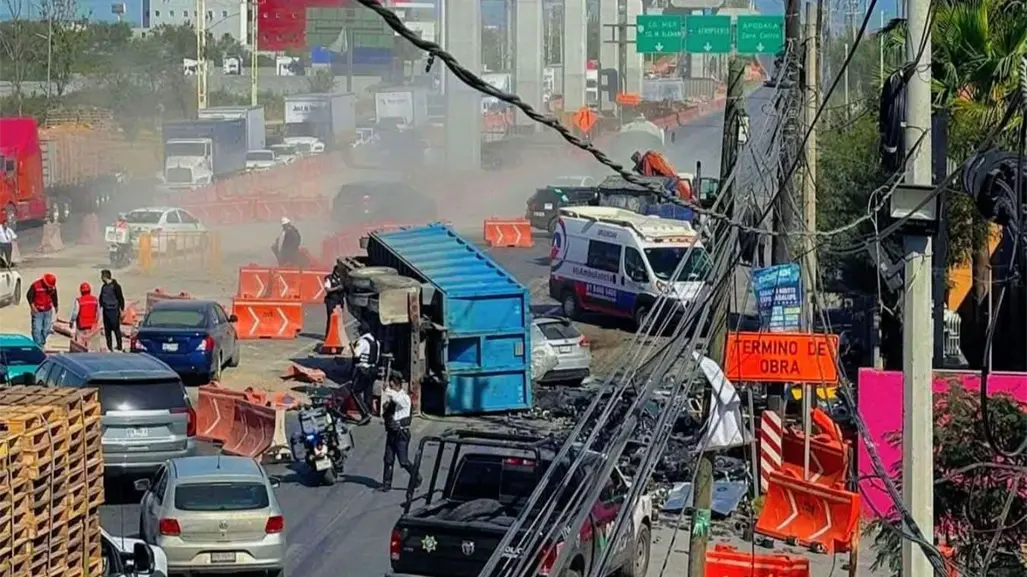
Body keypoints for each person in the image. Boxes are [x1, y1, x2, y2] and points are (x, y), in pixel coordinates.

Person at [379, 375, 422, 492]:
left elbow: (395, 397)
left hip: (401, 433)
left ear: (397, 386)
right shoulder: (394, 399)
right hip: (392, 432)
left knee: (403, 461)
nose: (390, 388)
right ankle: (386, 484)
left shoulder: (404, 398)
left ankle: (416, 477)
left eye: (392, 386)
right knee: (388, 459)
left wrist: (386, 390)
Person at [348, 325, 379, 426]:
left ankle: (365, 414)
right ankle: (369, 410)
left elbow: (356, 355)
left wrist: (352, 346)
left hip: (363, 369)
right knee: (368, 391)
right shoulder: (376, 342)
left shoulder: (362, 341)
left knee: (355, 391)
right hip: (373, 369)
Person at [26, 273, 58, 347]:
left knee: (47, 329)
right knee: (37, 329)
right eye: (49, 286)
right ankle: (38, 345)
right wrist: (32, 306)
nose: (50, 288)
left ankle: (41, 342)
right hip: (37, 311)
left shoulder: (52, 287)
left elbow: (54, 296)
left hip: (48, 311)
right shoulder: (35, 285)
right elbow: (29, 295)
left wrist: (56, 306)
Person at [99, 269, 125, 351]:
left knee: (116, 330)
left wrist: (122, 309)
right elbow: (101, 297)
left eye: (102, 276)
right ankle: (109, 347)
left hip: (114, 311)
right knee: (107, 331)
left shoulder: (116, 286)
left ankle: (119, 346)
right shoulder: (103, 287)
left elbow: (120, 298)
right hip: (105, 311)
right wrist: (100, 306)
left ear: (105, 277)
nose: (101, 278)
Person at [323, 260, 346, 338]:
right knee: (331, 318)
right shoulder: (329, 278)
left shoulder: (343, 279)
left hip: (340, 300)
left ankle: (338, 335)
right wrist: (337, 288)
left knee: (339, 319)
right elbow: (327, 289)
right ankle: (328, 335)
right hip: (331, 300)